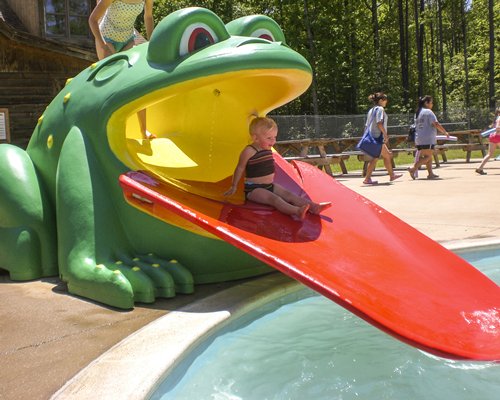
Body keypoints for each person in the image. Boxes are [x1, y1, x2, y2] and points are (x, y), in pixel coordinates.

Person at [224, 117, 331, 220]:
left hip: (270, 185)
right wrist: (234, 186)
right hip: (254, 189)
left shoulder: (267, 147)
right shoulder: (249, 150)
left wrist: (257, 116)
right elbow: (240, 168)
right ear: (255, 138)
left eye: (274, 137)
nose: (273, 141)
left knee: (289, 195)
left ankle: (314, 207)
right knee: (275, 199)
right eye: (269, 138)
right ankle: (297, 211)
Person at [89, 0, 155, 139]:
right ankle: (103, 130)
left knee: (137, 81)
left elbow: (148, 16)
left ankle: (144, 131)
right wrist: (102, 44)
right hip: (107, 38)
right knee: (112, 83)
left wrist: (152, 42)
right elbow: (93, 20)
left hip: (128, 39)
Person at [361, 92, 402, 185]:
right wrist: (385, 134)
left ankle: (391, 175)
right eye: (385, 100)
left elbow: (367, 125)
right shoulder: (380, 109)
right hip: (377, 137)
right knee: (377, 157)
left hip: (372, 137)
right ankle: (368, 179)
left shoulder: (371, 110)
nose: (386, 101)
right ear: (380, 100)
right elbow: (379, 123)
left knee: (385, 156)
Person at [408, 95, 449, 180]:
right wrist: (445, 132)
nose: (432, 104)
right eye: (431, 102)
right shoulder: (428, 112)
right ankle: (413, 169)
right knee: (428, 157)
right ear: (426, 103)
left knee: (427, 155)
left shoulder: (418, 112)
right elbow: (436, 124)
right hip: (427, 138)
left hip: (419, 138)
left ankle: (430, 173)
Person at [475, 107, 500, 175]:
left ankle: (480, 168)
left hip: (492, 136)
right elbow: (498, 128)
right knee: (490, 154)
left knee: (489, 154)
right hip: (498, 136)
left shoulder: (497, 118)